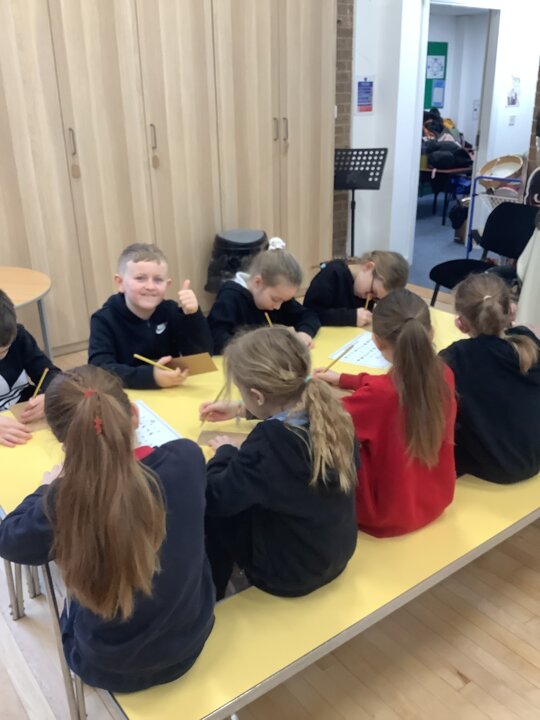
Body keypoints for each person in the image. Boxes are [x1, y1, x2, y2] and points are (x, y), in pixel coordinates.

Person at [0, 365, 215, 693]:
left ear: (65, 443)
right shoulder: (186, 457)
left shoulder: (65, 499)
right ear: (134, 415)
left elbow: (9, 539)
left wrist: (49, 488)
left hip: (108, 665)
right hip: (190, 638)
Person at [199, 326, 357, 599]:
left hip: (286, 575)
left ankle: (215, 592)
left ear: (258, 395)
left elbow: (217, 497)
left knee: (209, 511)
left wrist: (225, 453)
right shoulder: (333, 414)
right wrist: (241, 409)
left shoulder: (269, 441)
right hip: (335, 554)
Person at [316, 289, 456, 537]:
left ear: (376, 341)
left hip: (385, 514)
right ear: (430, 333)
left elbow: (322, 420)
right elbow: (393, 385)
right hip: (435, 498)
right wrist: (345, 379)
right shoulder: (443, 374)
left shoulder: (380, 396)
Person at [440, 273, 540, 484]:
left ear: (461, 324)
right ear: (511, 310)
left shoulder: (456, 357)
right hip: (533, 458)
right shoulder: (530, 343)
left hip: (489, 467)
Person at [88, 243, 212, 389]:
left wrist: (193, 316)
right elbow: (99, 369)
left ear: (167, 285)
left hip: (171, 391)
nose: (150, 287)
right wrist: (151, 377)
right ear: (120, 283)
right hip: (126, 393)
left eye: (158, 280)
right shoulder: (104, 320)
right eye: (140, 278)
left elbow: (202, 357)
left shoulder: (171, 311)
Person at [207, 238, 320, 354]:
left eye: (284, 301)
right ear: (258, 282)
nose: (278, 307)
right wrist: (256, 347)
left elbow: (308, 315)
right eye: (275, 299)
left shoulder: (279, 296)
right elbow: (217, 337)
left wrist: (304, 333)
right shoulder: (230, 298)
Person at [0, 290, 59, 447]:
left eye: (4, 351)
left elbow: (51, 374)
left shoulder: (19, 338)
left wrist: (49, 396)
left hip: (25, 415)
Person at [303, 251, 409, 327]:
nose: (369, 298)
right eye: (372, 291)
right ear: (368, 267)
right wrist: (351, 317)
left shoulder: (366, 291)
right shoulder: (333, 274)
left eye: (376, 299)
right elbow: (309, 313)